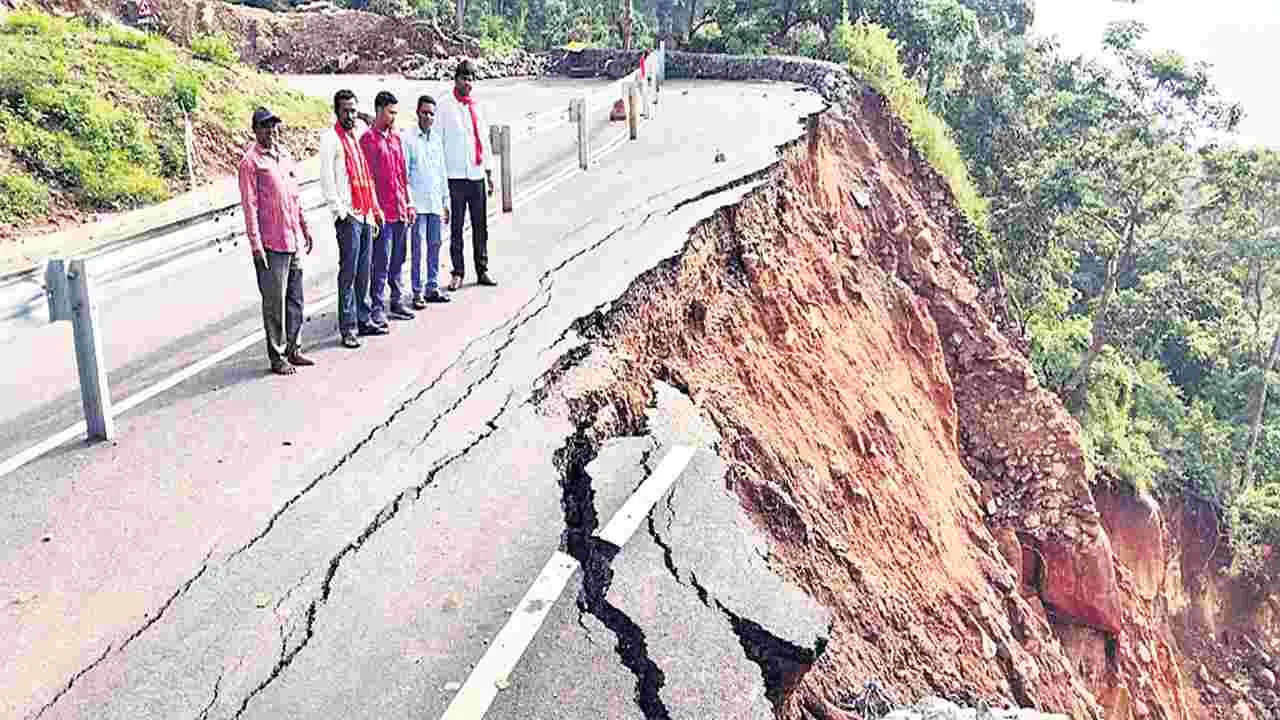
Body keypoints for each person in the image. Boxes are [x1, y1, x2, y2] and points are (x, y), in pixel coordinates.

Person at [237, 106, 315, 376]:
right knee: (275, 304)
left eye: (273, 125)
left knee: (296, 298)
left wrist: (304, 226)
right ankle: (278, 355)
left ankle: (294, 348)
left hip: (291, 238)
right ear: (255, 130)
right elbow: (250, 206)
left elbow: (294, 196)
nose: (271, 130)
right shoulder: (250, 163)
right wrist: (255, 244)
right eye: (265, 126)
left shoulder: (284, 156)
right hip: (271, 244)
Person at [319, 89, 384, 346]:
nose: (350, 115)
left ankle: (363, 319)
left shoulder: (358, 135)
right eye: (345, 110)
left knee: (364, 271)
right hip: (349, 215)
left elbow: (367, 174)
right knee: (349, 272)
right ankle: (348, 327)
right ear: (336, 111)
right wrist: (340, 212)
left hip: (365, 213)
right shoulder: (330, 139)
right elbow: (327, 179)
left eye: (353, 110)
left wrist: (373, 211)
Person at [437, 59, 497, 289]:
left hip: (476, 174)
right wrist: (440, 179)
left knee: (481, 226)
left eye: (471, 79)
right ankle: (458, 272)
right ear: (456, 80)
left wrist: (489, 173)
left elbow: (484, 140)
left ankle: (482, 269)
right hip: (455, 177)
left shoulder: (477, 106)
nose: (468, 83)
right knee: (456, 228)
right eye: (464, 79)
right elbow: (438, 142)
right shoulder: (444, 106)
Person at [360, 90, 416, 326]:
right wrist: (375, 210)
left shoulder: (396, 139)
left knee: (398, 259)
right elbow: (368, 179)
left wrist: (409, 202)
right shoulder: (368, 140)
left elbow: (403, 175)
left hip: (400, 208)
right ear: (379, 110)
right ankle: (377, 307)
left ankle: (397, 300)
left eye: (395, 113)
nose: (394, 117)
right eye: (390, 112)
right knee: (380, 262)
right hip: (383, 213)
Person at [402, 94, 452, 308]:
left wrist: (445, 201)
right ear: (417, 113)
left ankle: (432, 287)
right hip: (418, 205)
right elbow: (404, 174)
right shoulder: (408, 139)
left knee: (435, 246)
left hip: (435, 203)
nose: (428, 117)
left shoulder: (437, 140)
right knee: (418, 250)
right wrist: (409, 203)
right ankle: (417, 291)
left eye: (432, 114)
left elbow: (442, 172)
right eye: (425, 113)